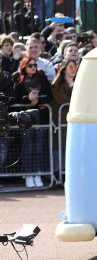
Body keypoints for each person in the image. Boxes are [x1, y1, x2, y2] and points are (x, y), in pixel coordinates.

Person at [13, 55, 53, 188]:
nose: (33, 67)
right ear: (24, 67)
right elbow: (15, 99)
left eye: (35, 65)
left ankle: (38, 173)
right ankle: (29, 174)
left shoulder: (42, 78)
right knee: (28, 147)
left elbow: (49, 95)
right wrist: (28, 99)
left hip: (41, 118)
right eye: (30, 65)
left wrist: (38, 100)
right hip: (26, 118)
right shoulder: (19, 81)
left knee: (39, 147)